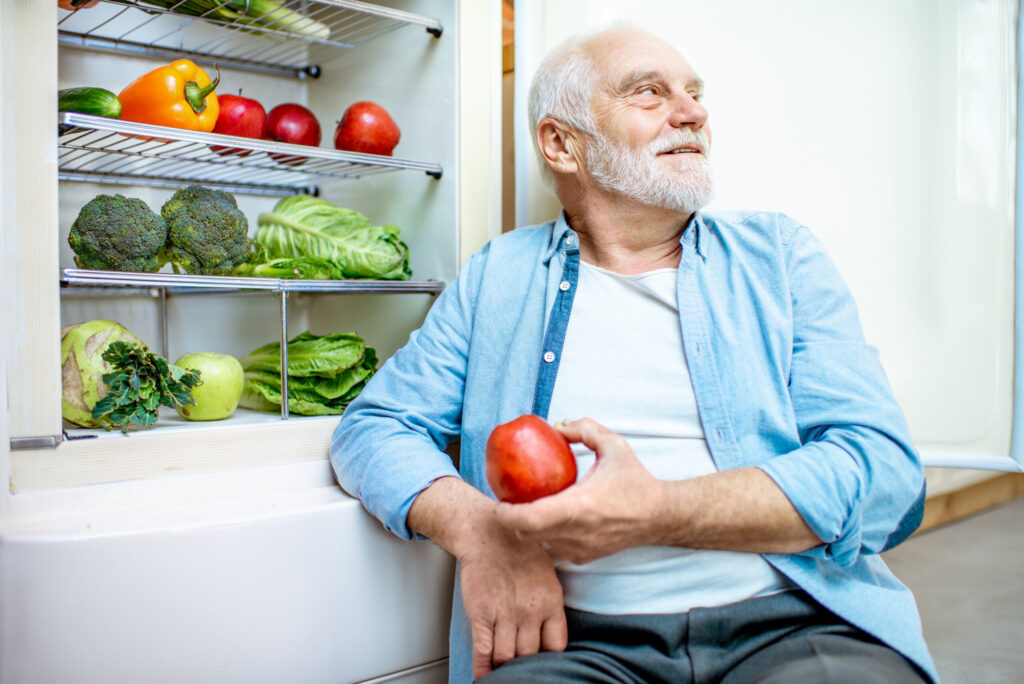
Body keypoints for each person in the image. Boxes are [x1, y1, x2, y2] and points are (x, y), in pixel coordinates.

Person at [331, 23, 936, 684]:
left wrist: (657, 511)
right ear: (562, 143)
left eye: (694, 94)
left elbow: (883, 474)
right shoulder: (497, 277)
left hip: (795, 624)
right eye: (650, 93)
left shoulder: (780, 259)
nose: (693, 112)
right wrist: (485, 533)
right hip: (578, 645)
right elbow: (374, 427)